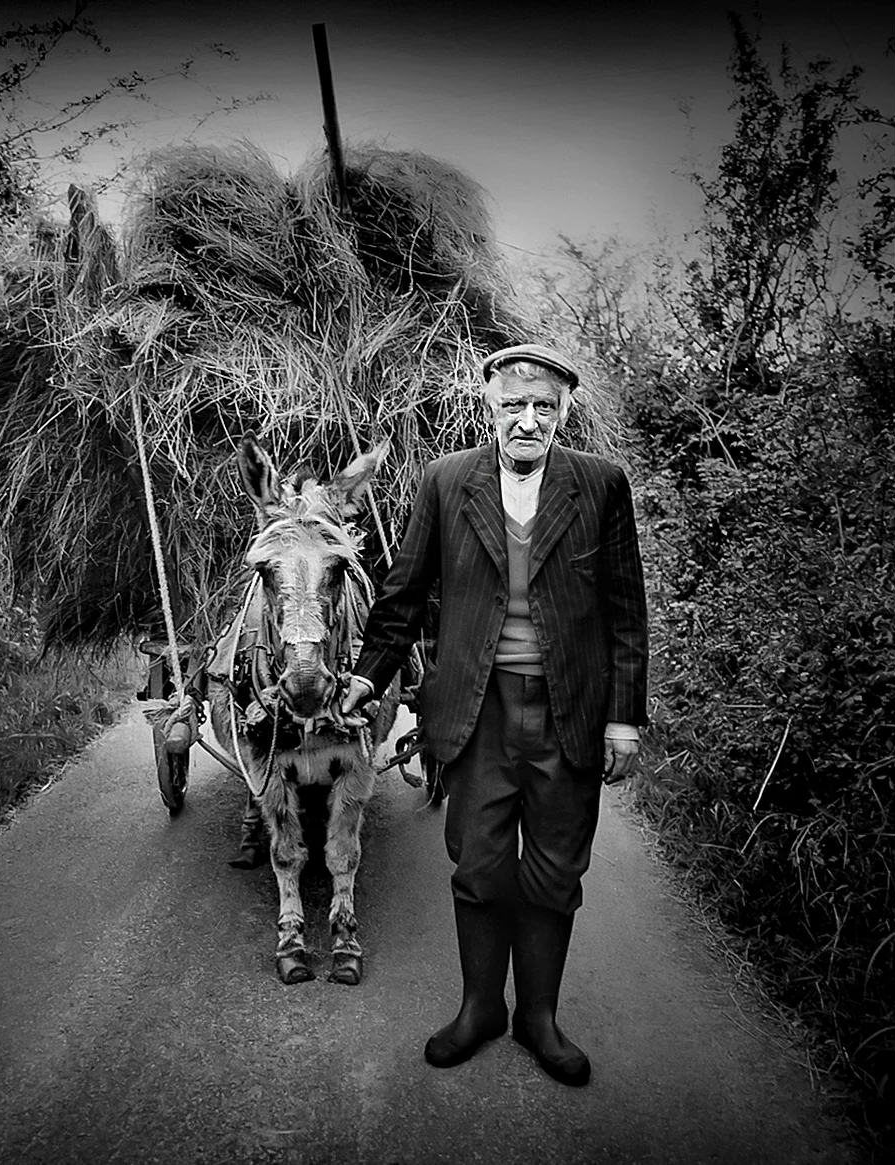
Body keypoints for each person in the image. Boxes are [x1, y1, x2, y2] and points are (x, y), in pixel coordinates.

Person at [336, 342, 648, 1086]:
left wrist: (624, 717)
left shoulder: (600, 486)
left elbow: (625, 610)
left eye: (543, 406)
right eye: (514, 405)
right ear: (491, 408)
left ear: (564, 413)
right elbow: (404, 595)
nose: (527, 419)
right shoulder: (447, 482)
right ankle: (480, 1008)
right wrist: (367, 677)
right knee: (478, 866)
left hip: (569, 711)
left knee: (553, 870)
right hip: (475, 712)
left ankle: (538, 1017)